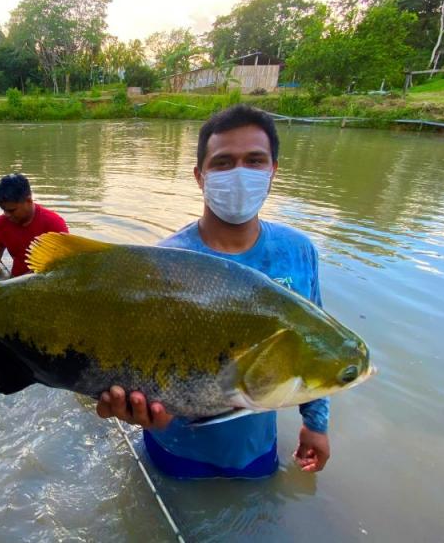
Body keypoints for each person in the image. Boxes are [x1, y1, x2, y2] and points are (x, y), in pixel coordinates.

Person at [96, 104, 331, 479]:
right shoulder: (162, 261)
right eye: (223, 162)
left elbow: (315, 347)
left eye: (255, 160)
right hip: (172, 446)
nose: (240, 173)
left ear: (273, 171)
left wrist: (315, 424)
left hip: (254, 448)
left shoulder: (298, 252)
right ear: (199, 175)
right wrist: (134, 404)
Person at [0, 173, 69, 277]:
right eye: (4, 210)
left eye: (12, 210)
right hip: (15, 281)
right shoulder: (2, 223)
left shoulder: (53, 223)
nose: (7, 215)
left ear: (28, 200)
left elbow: (66, 264)